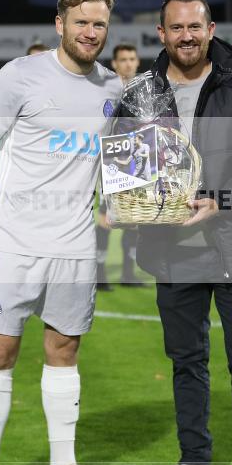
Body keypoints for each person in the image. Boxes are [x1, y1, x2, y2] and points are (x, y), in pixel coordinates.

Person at [116, 0, 232, 465]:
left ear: (210, 30)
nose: (186, 36)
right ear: (161, 34)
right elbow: (125, 168)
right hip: (173, 252)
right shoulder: (140, 92)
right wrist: (126, 200)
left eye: (196, 26)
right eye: (176, 28)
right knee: (187, 361)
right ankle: (194, 464)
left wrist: (221, 199)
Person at [0, 0, 120, 465]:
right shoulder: (20, 76)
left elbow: (117, 160)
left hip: (74, 246)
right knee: (0, 352)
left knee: (65, 350)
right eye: (82, 23)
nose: (91, 32)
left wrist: (118, 200)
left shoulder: (113, 89)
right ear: (60, 24)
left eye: (99, 24)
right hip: (13, 244)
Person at [96, 43, 142, 290]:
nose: (127, 63)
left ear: (137, 62)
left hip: (138, 159)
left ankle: (128, 273)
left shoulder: (144, 90)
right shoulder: (107, 91)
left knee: (133, 218)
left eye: (131, 59)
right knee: (106, 218)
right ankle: (99, 273)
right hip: (112, 160)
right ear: (114, 64)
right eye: (122, 59)